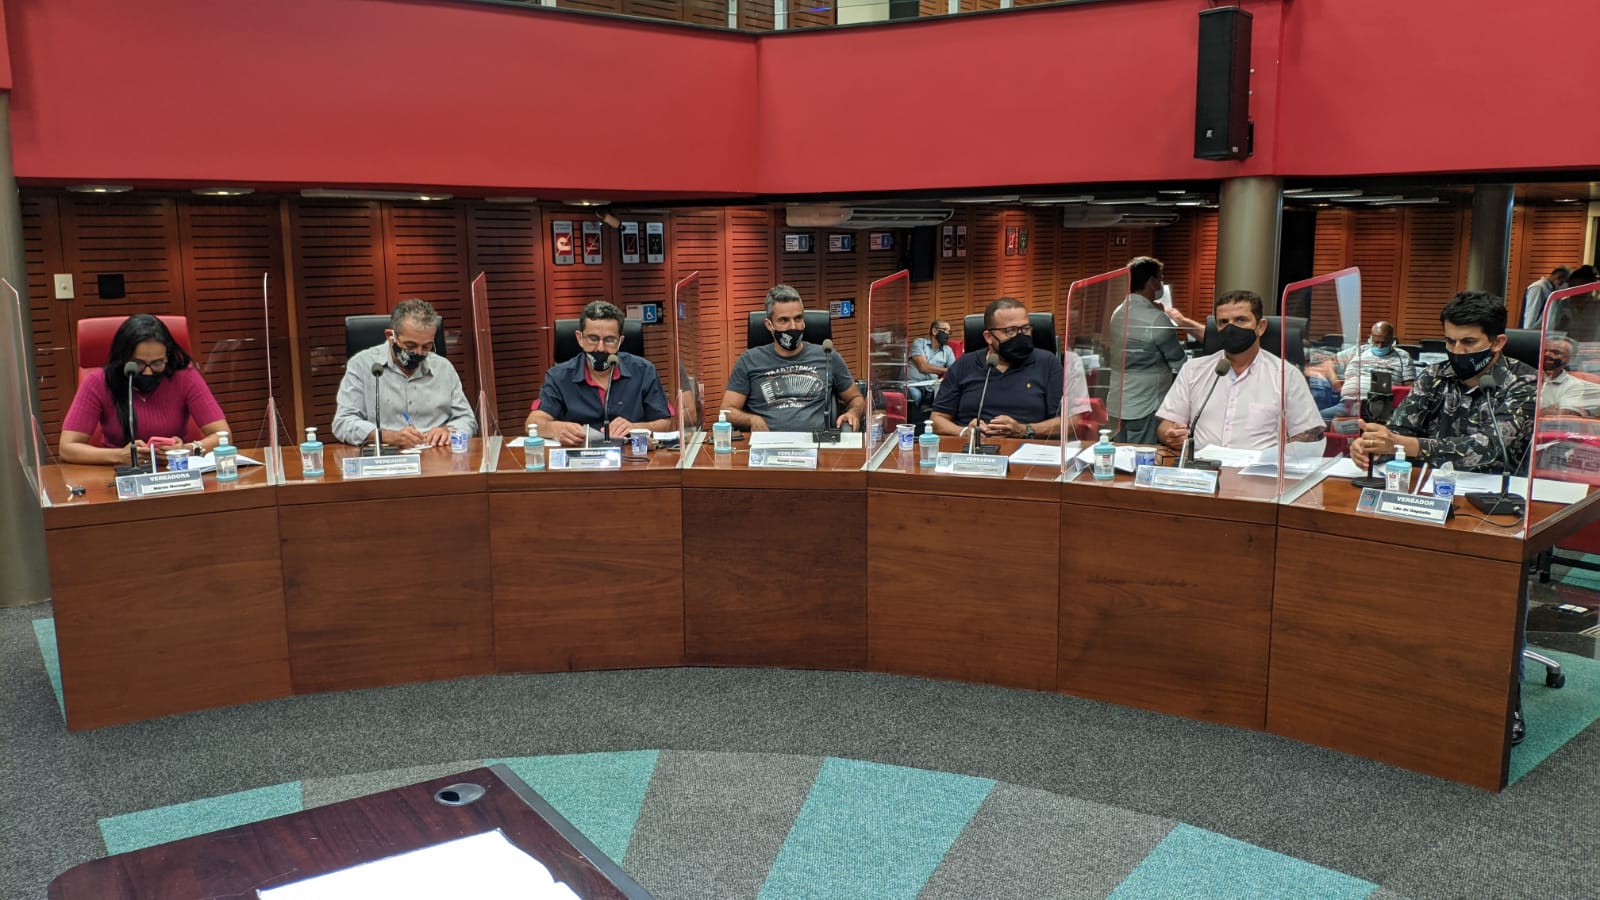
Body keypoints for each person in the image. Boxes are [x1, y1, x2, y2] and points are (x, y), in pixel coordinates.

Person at [1351, 291, 1538, 745]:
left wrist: (1408, 446)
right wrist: (1372, 444)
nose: (1457, 352)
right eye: (1450, 342)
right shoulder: (1435, 376)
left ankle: (1506, 700)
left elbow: (1492, 450)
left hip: (1495, 508)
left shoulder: (1525, 383)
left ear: (1497, 342)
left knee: (1497, 606)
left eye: (1468, 343)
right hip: (1428, 500)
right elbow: (1400, 430)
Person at [1155, 290, 1325, 454]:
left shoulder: (1286, 375)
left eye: (1240, 320)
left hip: (1260, 470)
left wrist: (1283, 459)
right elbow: (1166, 425)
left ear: (1261, 327)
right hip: (1201, 468)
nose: (1231, 328)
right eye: (1223, 322)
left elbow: (1307, 435)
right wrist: (1170, 435)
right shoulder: (1193, 370)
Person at [59, 314, 232, 465]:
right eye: (138, 363)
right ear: (123, 359)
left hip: (174, 471)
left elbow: (223, 436)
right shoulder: (98, 382)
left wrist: (187, 450)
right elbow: (67, 448)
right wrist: (119, 456)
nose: (148, 371)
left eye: (157, 363)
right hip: (117, 475)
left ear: (167, 357)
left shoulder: (185, 377)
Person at [930, 298, 1090, 440]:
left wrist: (1024, 430)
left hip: (1029, 453)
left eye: (1025, 329)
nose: (1020, 336)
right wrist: (963, 431)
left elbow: (1071, 423)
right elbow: (936, 419)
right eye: (1010, 331)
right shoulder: (963, 365)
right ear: (988, 337)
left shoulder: (1048, 363)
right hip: (973, 453)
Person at [332, 298, 476, 448]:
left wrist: (448, 430)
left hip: (436, 453)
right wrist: (387, 436)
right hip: (387, 454)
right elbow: (343, 423)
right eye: (410, 345)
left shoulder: (444, 368)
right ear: (390, 336)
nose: (418, 353)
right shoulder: (362, 365)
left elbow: (467, 420)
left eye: (426, 346)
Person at [527, 301, 672, 446]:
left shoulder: (644, 371)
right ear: (580, 338)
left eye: (609, 340)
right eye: (593, 339)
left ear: (620, 341)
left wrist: (635, 428)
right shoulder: (558, 376)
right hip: (578, 455)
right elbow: (532, 423)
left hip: (630, 455)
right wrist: (557, 429)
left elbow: (665, 423)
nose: (600, 348)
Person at [722, 285, 865, 432]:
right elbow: (726, 411)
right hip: (769, 441)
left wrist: (853, 413)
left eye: (798, 318)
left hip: (817, 441)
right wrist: (752, 420)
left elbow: (856, 398)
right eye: (784, 320)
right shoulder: (749, 360)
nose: (793, 327)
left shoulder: (827, 355)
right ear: (769, 325)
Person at [1106, 257, 1186, 444]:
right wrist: (1162, 316)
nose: (1161, 284)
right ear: (1151, 282)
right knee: (1142, 456)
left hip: (1118, 403)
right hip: (1146, 404)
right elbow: (1180, 362)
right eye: (1160, 278)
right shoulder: (1156, 319)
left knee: (1120, 454)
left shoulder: (1117, 313)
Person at [1320, 321, 1416, 420]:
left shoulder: (1402, 356)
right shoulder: (1358, 350)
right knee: (1318, 420)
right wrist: (1334, 380)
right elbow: (1328, 363)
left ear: (1392, 341)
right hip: (1348, 405)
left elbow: (1409, 388)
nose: (1379, 346)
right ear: (1370, 338)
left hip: (1382, 408)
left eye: (1384, 343)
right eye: (1376, 342)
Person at [1537, 335, 1600, 417]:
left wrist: (1535, 410)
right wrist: (1545, 410)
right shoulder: (1525, 377)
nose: (1547, 354)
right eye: (1544, 351)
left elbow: (1560, 416)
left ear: (1571, 358)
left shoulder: (1575, 385)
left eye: (1556, 352)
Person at [907, 320, 956, 404]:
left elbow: (954, 370)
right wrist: (946, 370)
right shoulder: (919, 343)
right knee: (916, 395)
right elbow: (923, 367)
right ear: (934, 331)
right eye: (945, 330)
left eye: (949, 332)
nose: (947, 334)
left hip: (932, 388)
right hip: (914, 385)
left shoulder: (948, 350)